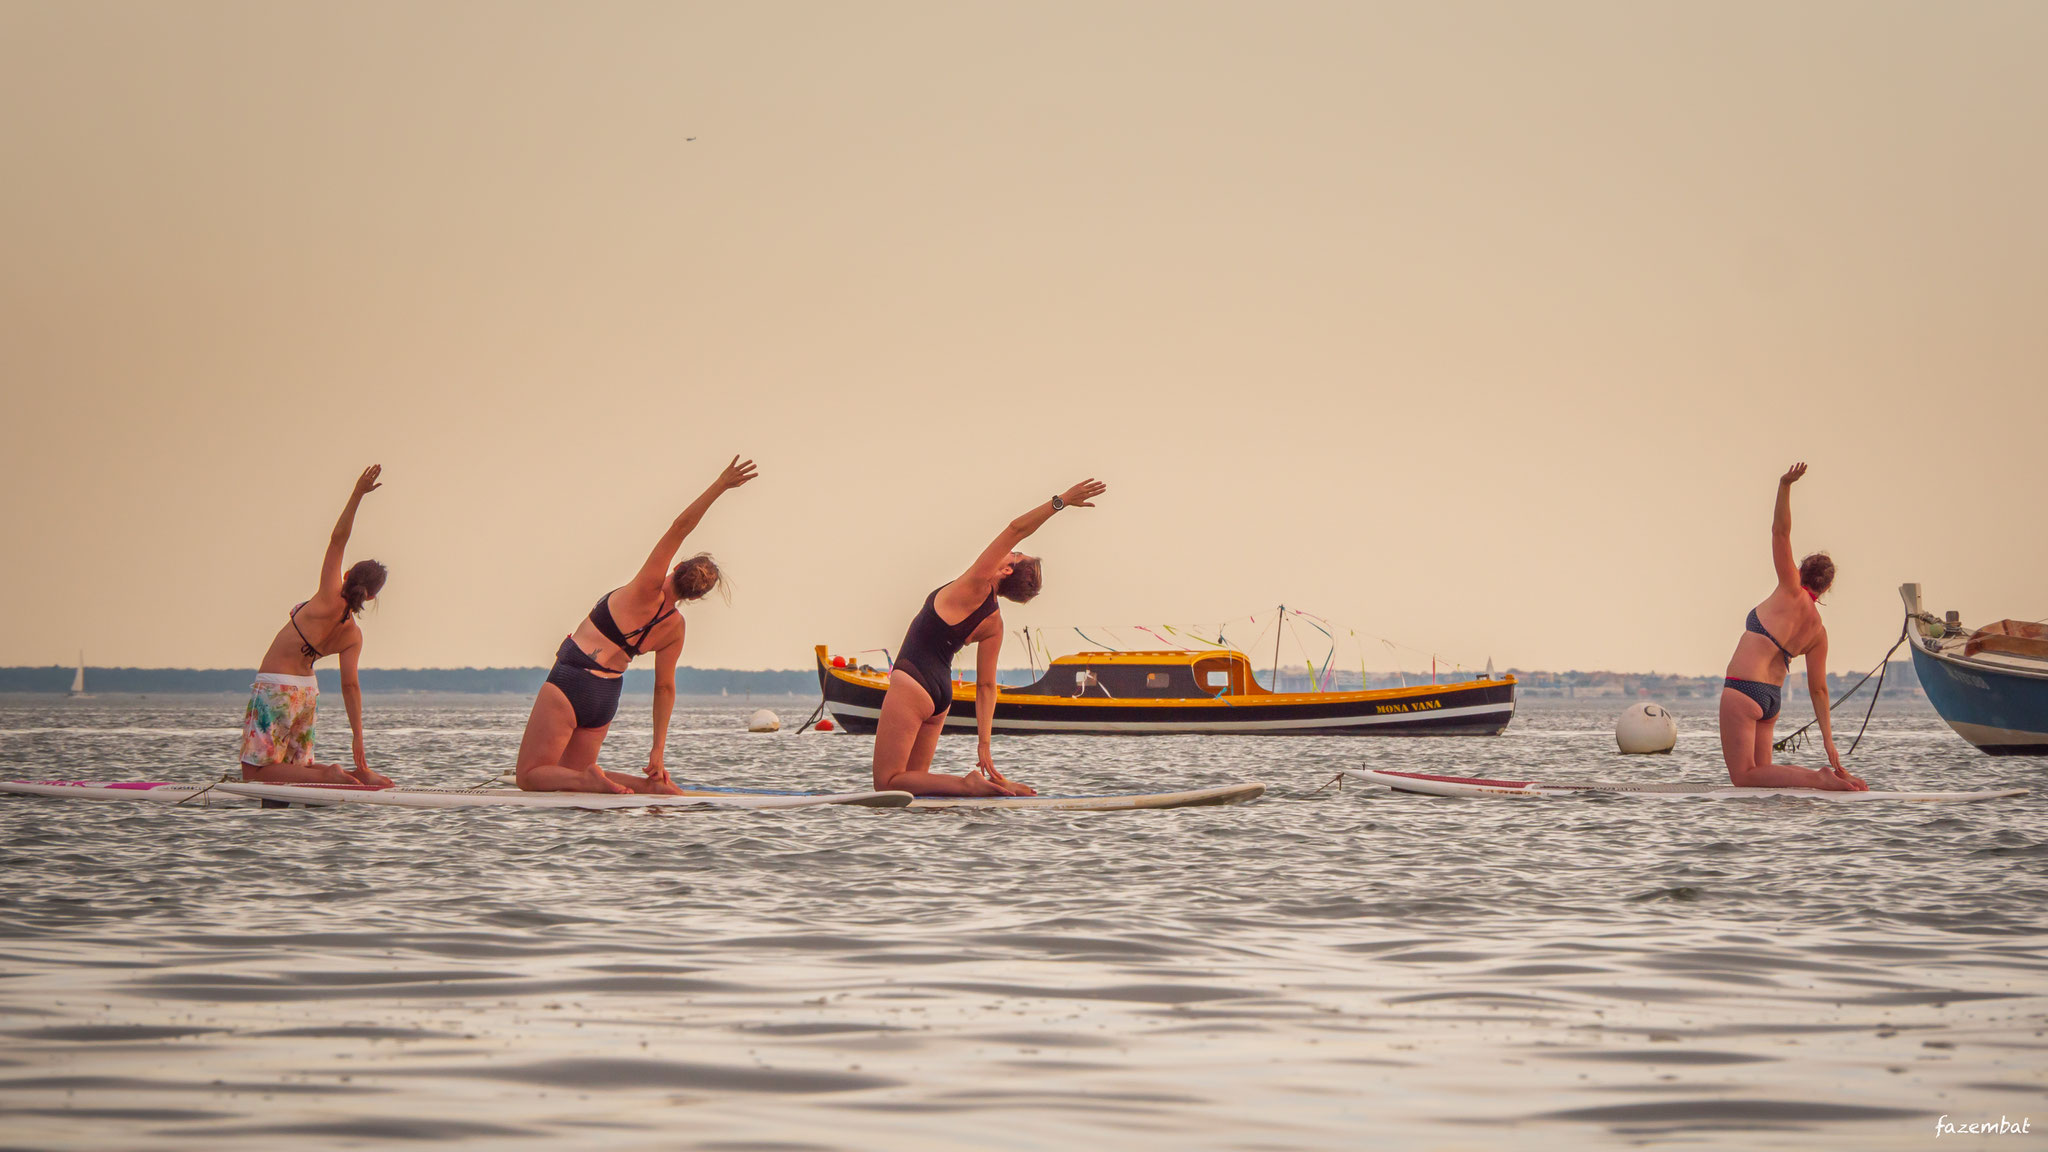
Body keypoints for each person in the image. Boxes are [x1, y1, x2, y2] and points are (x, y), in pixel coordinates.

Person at [515, 457, 757, 794]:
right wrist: (657, 750)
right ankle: (652, 786)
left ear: (676, 567)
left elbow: (680, 526)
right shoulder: (675, 628)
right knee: (566, 778)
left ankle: (591, 778)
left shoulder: (646, 588)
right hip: (606, 694)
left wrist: (719, 485)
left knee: (530, 776)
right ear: (696, 596)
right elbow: (664, 689)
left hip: (571, 680)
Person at [873, 479, 1107, 797]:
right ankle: (989, 786)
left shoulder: (976, 582)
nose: (1010, 550)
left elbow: (1015, 528)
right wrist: (984, 743)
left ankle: (968, 784)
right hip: (939, 696)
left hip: (913, 682)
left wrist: (1061, 500)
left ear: (1008, 570)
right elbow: (986, 686)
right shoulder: (994, 621)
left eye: (1015, 554)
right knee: (912, 787)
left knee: (886, 783)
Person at [239, 465, 391, 786]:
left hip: (277, 687)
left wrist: (357, 494)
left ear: (348, 576)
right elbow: (350, 686)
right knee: (292, 770)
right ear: (373, 595)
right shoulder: (353, 634)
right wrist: (358, 736)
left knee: (254, 773)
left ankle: (334, 774)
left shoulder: (328, 596)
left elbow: (338, 539)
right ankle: (353, 775)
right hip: (307, 693)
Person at [1719, 463, 1866, 791]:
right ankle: (1822, 779)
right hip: (1771, 699)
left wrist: (1785, 485)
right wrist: (1830, 744)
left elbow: (1780, 532)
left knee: (1742, 777)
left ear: (1799, 571)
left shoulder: (1789, 588)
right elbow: (1819, 690)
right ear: (1826, 589)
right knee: (1759, 782)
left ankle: (1818, 778)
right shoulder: (1818, 632)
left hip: (1743, 691)